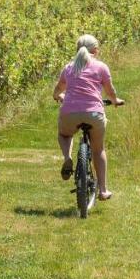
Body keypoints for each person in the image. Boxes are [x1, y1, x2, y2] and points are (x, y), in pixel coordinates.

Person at [53, 34, 123, 201]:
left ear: (77, 49)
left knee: (64, 134)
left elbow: (57, 90)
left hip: (69, 113)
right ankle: (103, 190)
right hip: (94, 114)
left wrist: (59, 96)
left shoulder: (69, 68)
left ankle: (67, 157)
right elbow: (110, 91)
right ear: (96, 50)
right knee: (98, 150)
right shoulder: (101, 67)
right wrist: (115, 101)